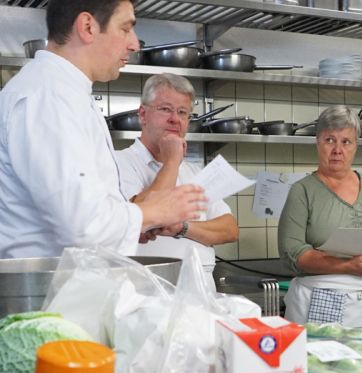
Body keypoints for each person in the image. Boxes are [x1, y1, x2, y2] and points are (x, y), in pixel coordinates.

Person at [0, 0, 206, 259]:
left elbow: (83, 210)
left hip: (69, 287)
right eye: (125, 28)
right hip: (50, 293)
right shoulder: (48, 96)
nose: (134, 44)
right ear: (88, 27)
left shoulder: (65, 92)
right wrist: (154, 212)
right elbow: (82, 225)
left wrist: (134, 225)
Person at [278, 105, 362, 326]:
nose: (338, 149)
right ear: (317, 142)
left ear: (356, 145)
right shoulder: (302, 191)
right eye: (330, 140)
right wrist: (347, 266)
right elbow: (292, 253)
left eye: (346, 141)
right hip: (321, 301)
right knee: (328, 360)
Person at [116, 73, 238, 273]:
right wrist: (171, 162)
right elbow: (141, 219)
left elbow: (229, 229)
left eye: (182, 112)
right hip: (146, 288)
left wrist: (182, 228)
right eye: (165, 109)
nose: (175, 120)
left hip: (198, 289)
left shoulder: (194, 171)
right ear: (143, 114)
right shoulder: (118, 162)